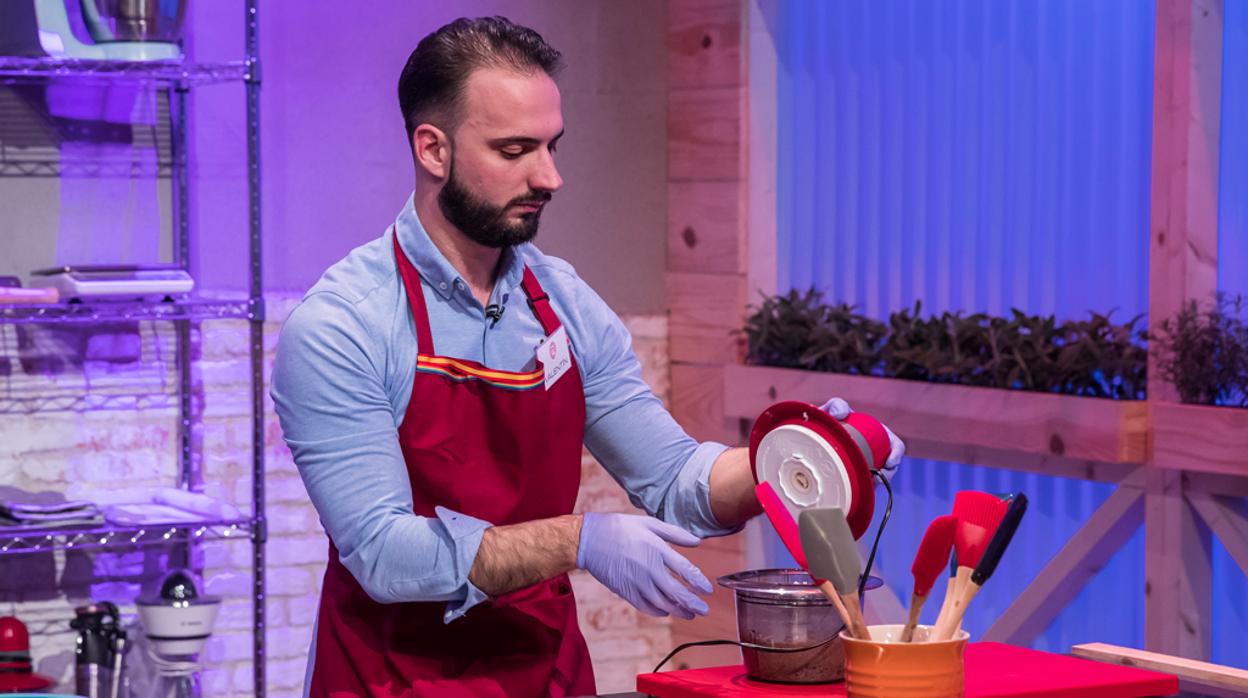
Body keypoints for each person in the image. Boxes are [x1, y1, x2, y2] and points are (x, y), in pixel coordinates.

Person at [271, 16, 904, 698]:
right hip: (391, 679)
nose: (550, 176)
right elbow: (385, 557)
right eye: (515, 150)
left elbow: (673, 479)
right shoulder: (344, 325)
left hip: (544, 675)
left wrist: (798, 457)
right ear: (433, 150)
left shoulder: (564, 303)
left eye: (551, 146)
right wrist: (582, 540)